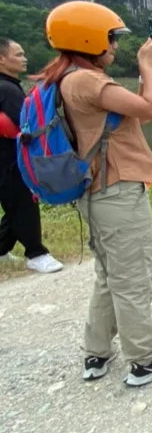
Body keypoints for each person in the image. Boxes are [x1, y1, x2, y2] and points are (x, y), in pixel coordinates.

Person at [38, 0, 152, 386]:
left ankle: (97, 352)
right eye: (110, 40)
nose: (114, 47)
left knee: (109, 276)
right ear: (87, 38)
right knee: (132, 276)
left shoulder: (66, 77)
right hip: (116, 192)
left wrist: (144, 74)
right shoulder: (88, 81)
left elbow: (132, 110)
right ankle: (145, 359)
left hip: (97, 191)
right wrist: (149, 67)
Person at [0, 39, 64, 274]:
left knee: (14, 205)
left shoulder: (7, 85)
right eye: (18, 54)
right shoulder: (6, 89)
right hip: (10, 162)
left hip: (7, 160)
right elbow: (29, 124)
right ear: (1, 59)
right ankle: (36, 253)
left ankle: (1, 249)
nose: (24, 58)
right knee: (24, 204)